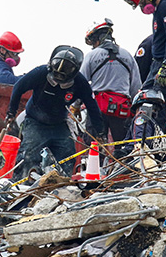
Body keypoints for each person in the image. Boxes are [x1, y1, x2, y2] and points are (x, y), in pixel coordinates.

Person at [7, 45, 105, 179]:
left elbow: (92, 106)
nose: (57, 82)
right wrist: (11, 113)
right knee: (28, 157)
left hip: (59, 123)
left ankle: (60, 185)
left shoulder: (80, 83)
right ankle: (21, 186)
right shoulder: (40, 72)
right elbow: (18, 87)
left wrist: (99, 132)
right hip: (35, 121)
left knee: (67, 155)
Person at [121, 0, 166, 133]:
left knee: (158, 108)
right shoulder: (159, 9)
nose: (142, 7)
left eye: (142, 2)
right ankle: (132, 142)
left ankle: (155, 144)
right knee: (141, 100)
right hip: (158, 63)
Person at [81, 19, 142, 141]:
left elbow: (80, 83)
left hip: (97, 108)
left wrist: (76, 106)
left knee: (95, 146)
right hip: (122, 109)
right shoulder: (127, 55)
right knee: (123, 147)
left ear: (97, 38)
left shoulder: (91, 56)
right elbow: (136, 86)